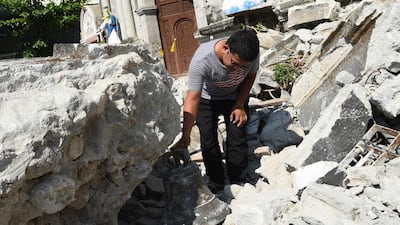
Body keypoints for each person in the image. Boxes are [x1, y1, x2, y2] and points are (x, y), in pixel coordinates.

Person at [174, 29, 260, 193]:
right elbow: (192, 99)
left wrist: (240, 104)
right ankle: (216, 180)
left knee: (237, 135)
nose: (237, 70)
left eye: (243, 67)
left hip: (234, 96)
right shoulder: (202, 60)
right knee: (208, 138)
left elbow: (250, 76)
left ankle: (238, 181)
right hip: (207, 99)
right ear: (225, 49)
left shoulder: (251, 54)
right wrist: (185, 135)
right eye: (234, 64)